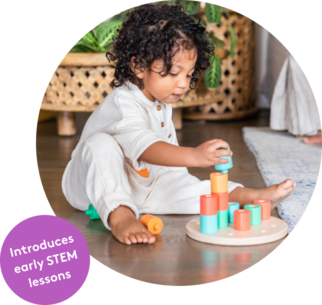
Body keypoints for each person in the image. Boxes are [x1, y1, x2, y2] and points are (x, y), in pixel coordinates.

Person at [62, 2, 296, 245]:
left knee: (194, 189)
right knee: (100, 143)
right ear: (139, 66)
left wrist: (181, 183)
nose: (184, 84)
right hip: (90, 185)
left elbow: (170, 171)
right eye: (174, 73)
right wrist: (195, 156)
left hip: (143, 185)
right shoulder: (124, 102)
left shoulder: (161, 100)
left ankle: (251, 196)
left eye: (188, 74)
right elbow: (146, 147)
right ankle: (120, 214)